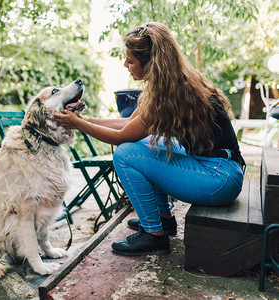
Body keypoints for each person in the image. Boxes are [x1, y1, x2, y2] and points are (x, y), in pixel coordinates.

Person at [54, 22, 245, 256]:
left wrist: (78, 124)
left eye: (131, 61)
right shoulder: (173, 83)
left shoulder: (172, 93)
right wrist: (85, 119)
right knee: (145, 145)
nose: (126, 65)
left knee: (125, 154)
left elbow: (121, 137)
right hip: (220, 170)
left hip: (219, 179)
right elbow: (127, 125)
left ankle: (154, 236)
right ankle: (164, 221)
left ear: (151, 64)